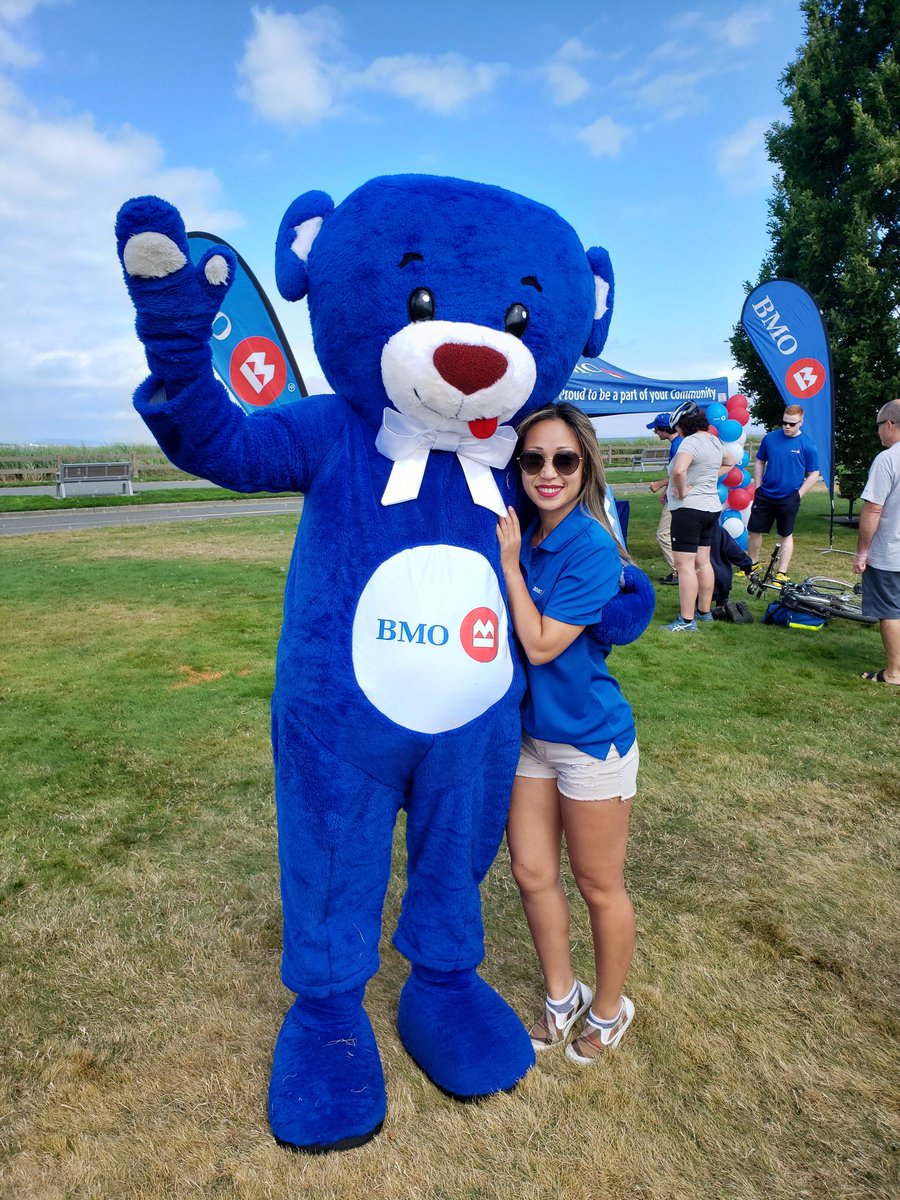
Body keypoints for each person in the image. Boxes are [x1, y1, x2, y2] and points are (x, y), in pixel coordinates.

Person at [496, 402, 638, 1064]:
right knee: (529, 872)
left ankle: (610, 1011)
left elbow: (544, 643)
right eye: (533, 459)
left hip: (588, 738)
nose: (547, 472)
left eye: (563, 459)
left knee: (597, 884)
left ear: (585, 465)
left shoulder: (588, 544)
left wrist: (509, 565)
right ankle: (563, 995)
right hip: (532, 735)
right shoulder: (524, 528)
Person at [662, 400, 734, 632]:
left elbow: (679, 470)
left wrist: (681, 490)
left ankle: (686, 620)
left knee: (684, 566)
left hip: (689, 510)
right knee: (703, 562)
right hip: (711, 507)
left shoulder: (689, 443)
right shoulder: (714, 440)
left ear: (683, 426)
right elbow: (730, 461)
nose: (678, 433)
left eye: (678, 428)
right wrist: (710, 476)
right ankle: (704, 612)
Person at [853, 399, 900, 685]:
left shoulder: (887, 460)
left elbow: (873, 509)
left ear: (891, 425)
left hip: (891, 552)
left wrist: (862, 552)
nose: (878, 433)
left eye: (879, 426)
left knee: (890, 610)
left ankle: (894, 672)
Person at [746, 404, 821, 581]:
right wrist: (758, 486)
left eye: (792, 424)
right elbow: (759, 461)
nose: (787, 426)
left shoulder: (808, 445)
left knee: (785, 534)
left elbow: (814, 474)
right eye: (784, 422)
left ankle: (782, 573)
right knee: (753, 531)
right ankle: (753, 563)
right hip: (765, 494)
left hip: (789, 497)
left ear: (801, 422)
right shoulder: (770, 438)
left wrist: (798, 495)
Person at [645, 413, 682, 584]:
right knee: (674, 534)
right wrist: (665, 491)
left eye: (656, 429)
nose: (654, 432)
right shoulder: (677, 443)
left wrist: (660, 484)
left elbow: (680, 473)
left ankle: (678, 572)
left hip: (678, 497)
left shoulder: (678, 445)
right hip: (673, 494)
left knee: (662, 534)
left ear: (664, 429)